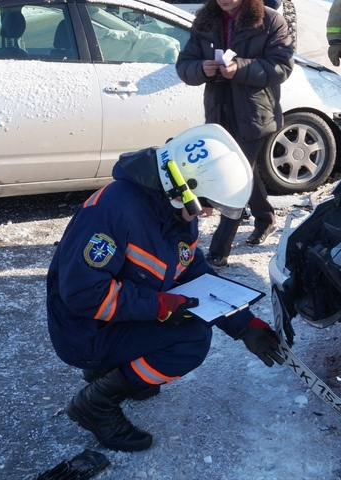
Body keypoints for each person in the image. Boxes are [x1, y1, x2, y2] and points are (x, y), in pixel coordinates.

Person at [46, 124, 286, 452]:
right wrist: (158, 306)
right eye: (207, 202)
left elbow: (189, 268)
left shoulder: (176, 209)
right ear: (181, 186)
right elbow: (83, 293)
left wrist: (243, 324)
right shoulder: (115, 212)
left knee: (179, 331)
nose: (209, 212)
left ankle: (114, 369)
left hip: (116, 319)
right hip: (85, 331)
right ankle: (96, 403)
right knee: (192, 339)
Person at [176, 0, 293, 265]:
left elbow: (282, 66)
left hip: (255, 113)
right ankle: (266, 217)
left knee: (234, 178)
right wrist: (201, 67)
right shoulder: (205, 22)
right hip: (219, 112)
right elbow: (184, 65)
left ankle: (217, 253)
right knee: (245, 169)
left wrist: (240, 68)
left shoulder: (269, 20)